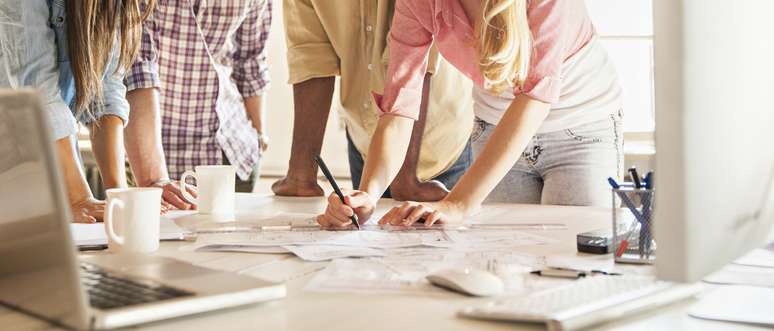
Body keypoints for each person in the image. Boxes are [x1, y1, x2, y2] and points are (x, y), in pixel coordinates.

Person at [317, 0, 623, 228]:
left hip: (581, 127)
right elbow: (400, 106)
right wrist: (367, 196)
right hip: (496, 129)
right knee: (503, 265)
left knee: (575, 252)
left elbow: (534, 96)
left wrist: (459, 204)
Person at [274, 0, 474, 202]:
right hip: (364, 141)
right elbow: (310, 54)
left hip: (435, 142)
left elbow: (414, 59)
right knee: (362, 228)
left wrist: (404, 179)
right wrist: (302, 172)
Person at [0, 0, 155, 223]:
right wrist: (78, 197)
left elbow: (105, 91)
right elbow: (36, 87)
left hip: (52, 180)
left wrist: (119, 196)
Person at [124, 0, 272, 200]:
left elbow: (251, 59)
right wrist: (153, 179)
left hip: (232, 154)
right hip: (153, 162)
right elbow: (137, 68)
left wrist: (259, 136)